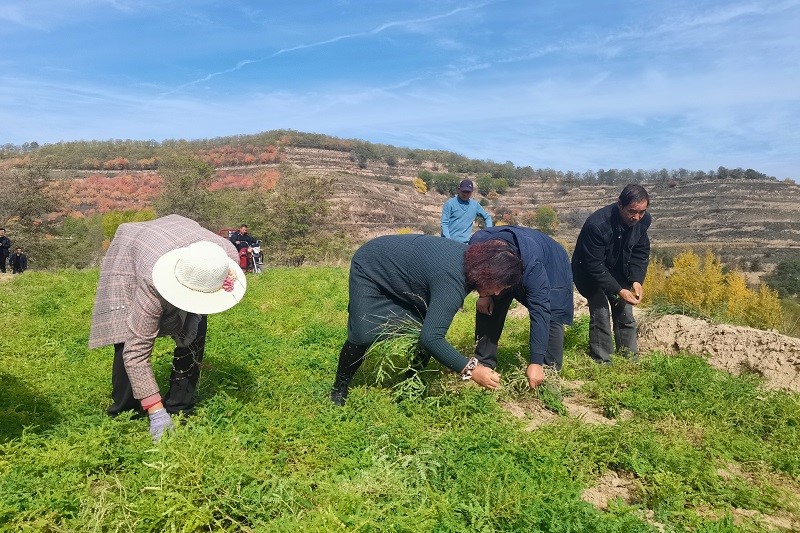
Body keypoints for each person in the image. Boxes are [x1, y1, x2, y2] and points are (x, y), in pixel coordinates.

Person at [88, 214, 247, 441]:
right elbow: (137, 351)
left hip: (185, 247)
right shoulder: (151, 279)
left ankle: (180, 405)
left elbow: (200, 294)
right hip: (135, 249)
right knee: (128, 335)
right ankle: (127, 410)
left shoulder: (221, 259)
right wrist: (156, 412)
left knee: (195, 332)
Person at [329, 234, 523, 405]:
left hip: (407, 276)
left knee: (423, 324)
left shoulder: (472, 263)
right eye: (498, 286)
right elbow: (431, 338)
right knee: (363, 333)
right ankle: (340, 387)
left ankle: (411, 382)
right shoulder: (452, 281)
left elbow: (428, 333)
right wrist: (471, 370)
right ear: (486, 273)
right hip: (372, 266)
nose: (497, 292)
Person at [469, 226, 574, 388]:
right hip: (507, 257)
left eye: (499, 287)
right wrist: (485, 295)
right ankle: (483, 363)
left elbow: (541, 310)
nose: (497, 292)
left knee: (553, 312)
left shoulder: (533, 267)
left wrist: (536, 361)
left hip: (551, 260)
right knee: (490, 304)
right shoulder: (476, 248)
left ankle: (548, 372)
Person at [571, 184, 651, 364]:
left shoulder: (642, 222)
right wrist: (618, 289)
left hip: (616, 270)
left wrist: (637, 280)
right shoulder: (597, 225)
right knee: (600, 312)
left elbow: (640, 251)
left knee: (625, 312)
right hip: (588, 272)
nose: (636, 217)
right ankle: (603, 361)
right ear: (619, 204)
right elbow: (594, 265)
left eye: (642, 212)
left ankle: (629, 359)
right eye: (632, 211)